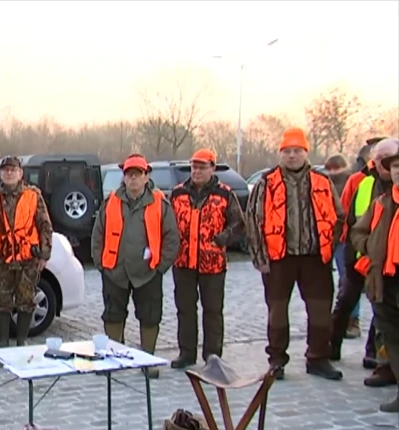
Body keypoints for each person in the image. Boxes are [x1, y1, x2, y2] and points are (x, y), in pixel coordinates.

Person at [246, 128, 344, 381]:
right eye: (287, 151)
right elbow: (254, 221)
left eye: (297, 151)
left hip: (315, 258)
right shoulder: (267, 183)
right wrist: (260, 258)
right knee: (277, 312)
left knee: (320, 311)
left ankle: (318, 358)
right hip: (280, 259)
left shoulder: (322, 182)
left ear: (305, 153)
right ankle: (277, 360)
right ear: (280, 154)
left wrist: (328, 247)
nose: (292, 156)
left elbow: (339, 217)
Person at [91, 154, 179, 379]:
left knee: (150, 316)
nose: (133, 179)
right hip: (115, 271)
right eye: (129, 174)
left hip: (148, 273)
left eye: (137, 174)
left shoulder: (160, 202)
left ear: (146, 176)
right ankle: (112, 359)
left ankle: (147, 360)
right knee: (112, 315)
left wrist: (160, 267)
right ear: (124, 177)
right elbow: (97, 234)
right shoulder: (111, 201)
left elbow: (172, 238)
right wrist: (101, 264)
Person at [169, 149, 244, 369]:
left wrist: (221, 239)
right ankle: (186, 353)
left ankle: (212, 355)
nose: (198, 171)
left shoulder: (225, 194)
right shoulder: (177, 193)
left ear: (212, 168)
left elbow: (239, 224)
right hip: (183, 262)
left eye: (202, 167)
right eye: (194, 167)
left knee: (212, 311)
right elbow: (167, 225)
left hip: (212, 263)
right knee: (185, 309)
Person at [331, 138, 395, 387]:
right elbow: (349, 217)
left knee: (382, 312)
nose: (384, 164)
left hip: (388, 264)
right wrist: (360, 249)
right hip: (358, 257)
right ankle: (331, 346)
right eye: (379, 159)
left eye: (389, 159)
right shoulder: (362, 182)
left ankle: (379, 359)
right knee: (346, 300)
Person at [0, 156, 53, 348]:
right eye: (6, 170)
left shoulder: (33, 196)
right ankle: (3, 342)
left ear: (21, 173)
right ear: (0, 174)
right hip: (0, 259)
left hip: (27, 258)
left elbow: (45, 225)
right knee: (1, 300)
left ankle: (21, 341)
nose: (9, 173)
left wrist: (44, 254)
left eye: (13, 170)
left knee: (26, 300)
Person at [349, 138, 399, 413]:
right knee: (393, 338)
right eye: (395, 168)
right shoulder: (382, 203)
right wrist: (372, 249)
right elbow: (357, 231)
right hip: (385, 279)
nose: (398, 172)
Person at [325, 154, 361, 338]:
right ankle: (340, 320)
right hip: (330, 237)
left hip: (345, 238)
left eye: (334, 168)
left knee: (348, 280)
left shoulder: (352, 182)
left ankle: (351, 320)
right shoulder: (325, 183)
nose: (332, 172)